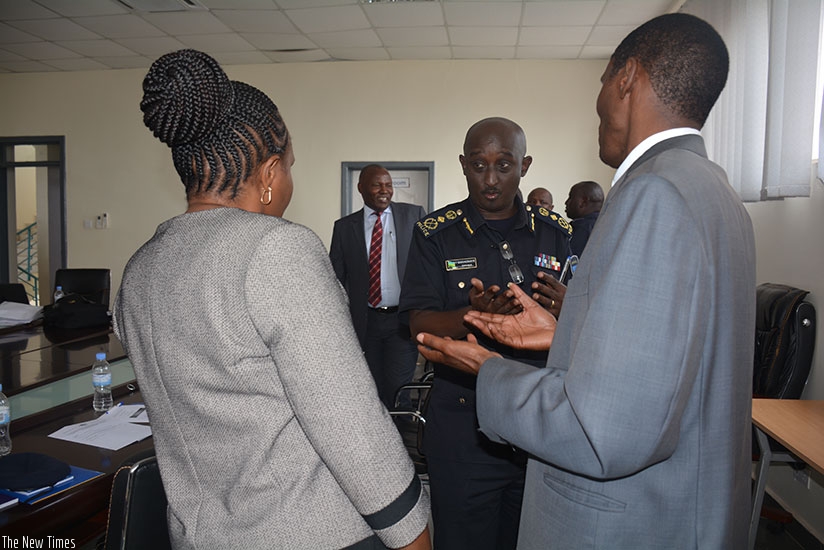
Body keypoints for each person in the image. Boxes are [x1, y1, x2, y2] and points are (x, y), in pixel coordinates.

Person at [416, 13, 755, 549]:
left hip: (627, 521)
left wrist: (490, 372)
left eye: (601, 82)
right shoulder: (715, 190)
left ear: (626, 79)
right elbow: (669, 359)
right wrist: (566, 330)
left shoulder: (653, 196)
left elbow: (602, 432)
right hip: (684, 506)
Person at [113, 49, 430, 550]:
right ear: (267, 174)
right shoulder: (276, 248)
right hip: (307, 532)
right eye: (289, 170)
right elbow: (349, 424)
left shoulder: (140, 268)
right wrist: (410, 530)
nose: (289, 184)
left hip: (199, 535)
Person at [399, 117, 571, 550]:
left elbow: (591, 323)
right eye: (478, 165)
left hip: (540, 425)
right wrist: (470, 317)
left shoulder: (557, 233)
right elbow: (418, 323)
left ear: (525, 166)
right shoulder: (435, 235)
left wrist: (572, 309)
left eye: (504, 165)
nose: (491, 179)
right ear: (462, 165)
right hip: (464, 427)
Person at [330, 165, 425, 409]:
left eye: (388, 184)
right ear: (361, 188)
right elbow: (337, 279)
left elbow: (428, 267)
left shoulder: (414, 216)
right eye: (377, 184)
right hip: (366, 323)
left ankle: (401, 443)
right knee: (370, 388)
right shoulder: (344, 228)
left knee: (399, 388)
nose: (385, 190)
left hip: (401, 322)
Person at [564, 180, 603, 257]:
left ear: (583, 202)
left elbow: (570, 263)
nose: (566, 202)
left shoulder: (582, 228)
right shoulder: (606, 224)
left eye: (570, 197)